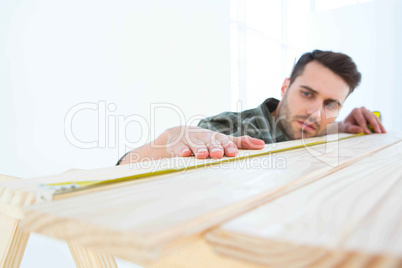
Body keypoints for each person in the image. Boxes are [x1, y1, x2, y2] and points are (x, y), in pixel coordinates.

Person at [117, 50, 386, 165]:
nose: (315, 112)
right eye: (307, 93)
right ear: (285, 87)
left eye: (330, 104)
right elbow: (124, 174)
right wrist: (165, 143)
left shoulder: (315, 127)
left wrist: (343, 126)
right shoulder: (233, 129)